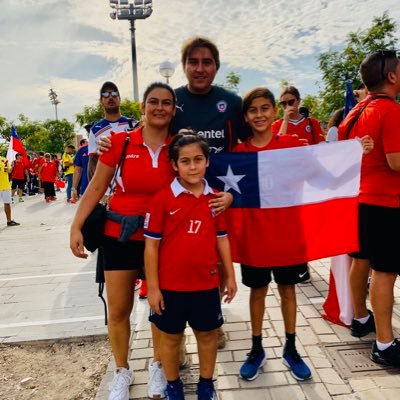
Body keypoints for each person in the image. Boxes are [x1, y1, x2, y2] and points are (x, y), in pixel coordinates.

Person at [70, 83, 178, 400]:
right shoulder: (119, 142)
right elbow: (95, 188)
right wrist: (76, 225)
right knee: (118, 311)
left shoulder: (179, 144)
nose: (160, 107)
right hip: (119, 236)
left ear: (173, 109)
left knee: (161, 309)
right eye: (153, 102)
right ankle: (122, 371)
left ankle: (158, 365)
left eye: (167, 103)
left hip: (162, 239)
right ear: (143, 107)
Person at [144, 131, 237, 400]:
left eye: (198, 159)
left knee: (207, 336)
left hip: (205, 284)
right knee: (170, 339)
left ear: (207, 161)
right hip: (170, 286)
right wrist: (152, 288)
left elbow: (222, 240)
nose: (193, 166)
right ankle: (173, 385)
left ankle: (206, 384)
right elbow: (151, 246)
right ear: (174, 165)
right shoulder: (162, 199)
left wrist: (230, 276)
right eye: (185, 161)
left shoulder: (215, 198)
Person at [233, 87, 312, 382]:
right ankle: (257, 349)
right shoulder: (239, 154)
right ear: (246, 116)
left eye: (265, 108)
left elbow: (319, 170)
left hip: (287, 234)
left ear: (274, 111)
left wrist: (354, 150)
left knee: (288, 290)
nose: (259, 115)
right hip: (255, 237)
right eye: (253, 110)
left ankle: (291, 347)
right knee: (257, 292)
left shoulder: (291, 144)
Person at [338, 50, 400, 367]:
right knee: (385, 272)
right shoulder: (389, 111)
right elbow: (395, 161)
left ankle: (361, 318)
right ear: (391, 76)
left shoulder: (354, 113)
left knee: (360, 260)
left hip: (358, 199)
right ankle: (385, 344)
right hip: (385, 203)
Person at [88, 81, 137, 180]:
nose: (110, 97)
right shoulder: (95, 130)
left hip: (132, 188)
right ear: (101, 101)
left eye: (114, 94)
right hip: (106, 192)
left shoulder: (134, 124)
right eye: (105, 95)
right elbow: (92, 164)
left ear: (120, 99)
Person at [0, 156, 20, 226]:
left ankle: (9, 221)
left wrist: (11, 166)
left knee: (7, 203)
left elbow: (8, 171)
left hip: (5, 185)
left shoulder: (4, 160)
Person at [72, 136, 90, 202]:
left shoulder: (107, 147)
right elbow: (77, 170)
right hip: (86, 189)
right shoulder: (81, 151)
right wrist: (74, 189)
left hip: (106, 190)